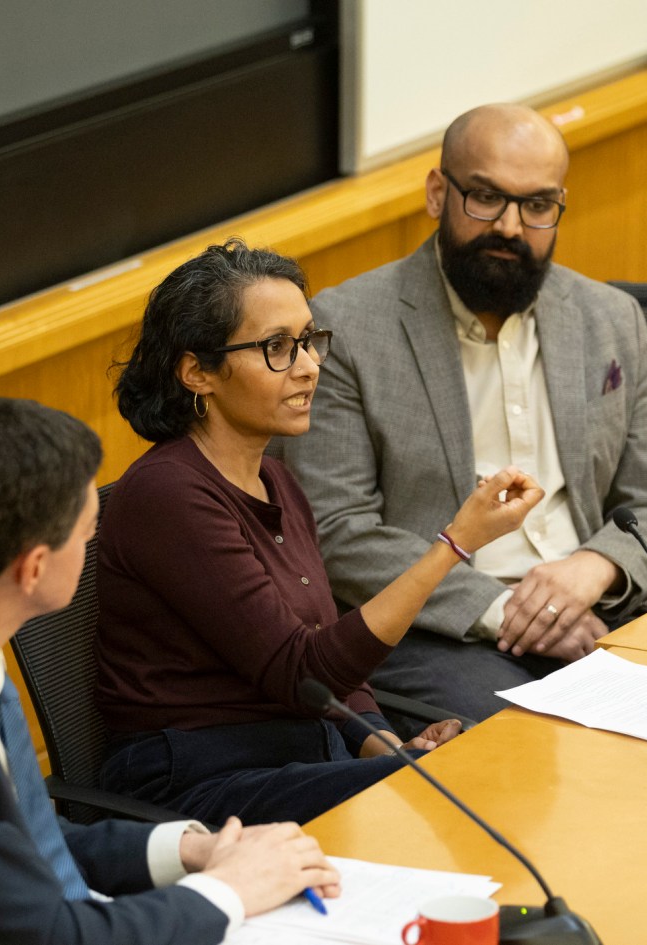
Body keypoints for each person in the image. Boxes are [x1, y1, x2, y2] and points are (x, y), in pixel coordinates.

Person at [0, 397, 340, 945]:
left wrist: (191, 849)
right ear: (34, 568)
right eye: (85, 529)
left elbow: (24, 843)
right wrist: (231, 890)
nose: (95, 539)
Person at [95, 240, 543, 826]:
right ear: (197, 372)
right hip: (200, 785)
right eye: (277, 348)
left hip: (300, 757)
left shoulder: (276, 478)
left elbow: (336, 670)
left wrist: (391, 749)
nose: (309, 365)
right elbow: (304, 670)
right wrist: (454, 545)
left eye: (309, 341)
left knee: (472, 759)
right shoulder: (169, 495)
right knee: (470, 783)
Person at [281, 103, 647, 723]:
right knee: (527, 757)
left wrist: (594, 568)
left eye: (538, 206)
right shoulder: (348, 329)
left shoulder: (610, 319)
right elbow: (339, 534)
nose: (511, 227)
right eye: (486, 198)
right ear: (438, 193)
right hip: (442, 635)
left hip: (600, 611)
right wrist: (510, 611)